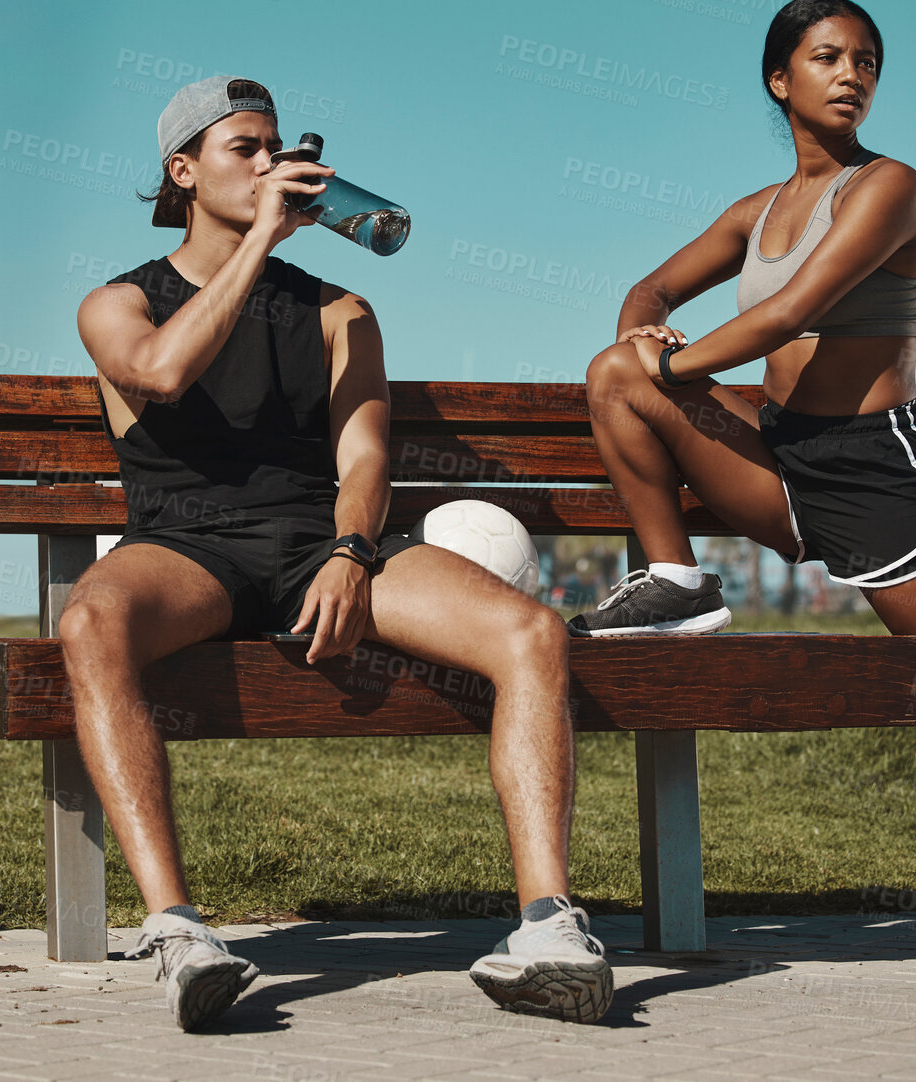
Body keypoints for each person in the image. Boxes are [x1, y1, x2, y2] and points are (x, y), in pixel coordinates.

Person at [568, 0, 916, 968]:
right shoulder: (755, 210)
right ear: (777, 78)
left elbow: (789, 311)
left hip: (878, 470)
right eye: (827, 57)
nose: (851, 75)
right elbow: (651, 289)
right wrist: (643, 333)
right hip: (783, 451)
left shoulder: (890, 187)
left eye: (866, 61)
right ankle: (676, 581)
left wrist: (671, 370)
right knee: (609, 372)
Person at [61, 75, 613, 1030]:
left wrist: (353, 552)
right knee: (89, 621)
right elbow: (158, 373)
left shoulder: (338, 310)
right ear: (182, 171)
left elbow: (365, 456)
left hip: (319, 542)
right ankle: (180, 930)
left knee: (530, 633)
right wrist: (263, 242)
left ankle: (548, 928)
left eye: (277, 147)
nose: (270, 164)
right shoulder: (117, 302)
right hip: (185, 549)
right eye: (245, 149)